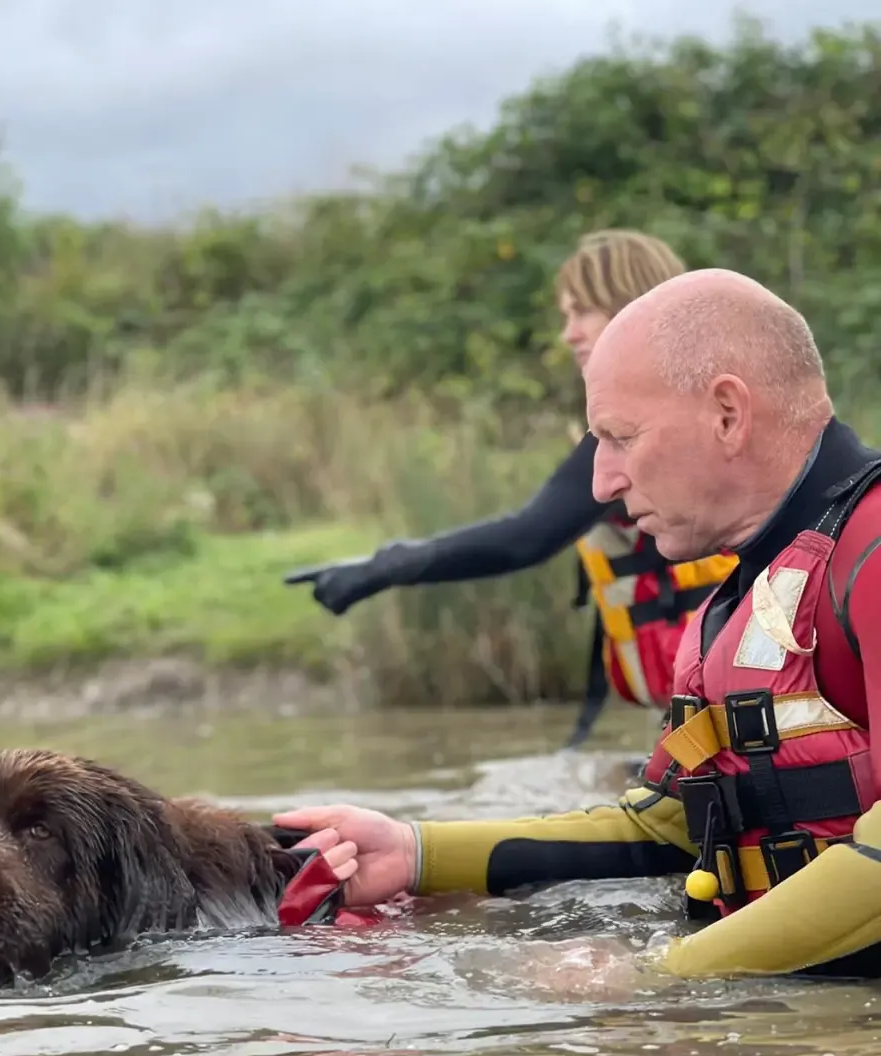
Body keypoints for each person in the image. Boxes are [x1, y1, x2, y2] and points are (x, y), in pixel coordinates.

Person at [273, 267, 881, 982]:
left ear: (727, 414)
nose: (602, 484)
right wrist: (415, 852)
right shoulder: (746, 592)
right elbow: (663, 825)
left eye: (620, 438)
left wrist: (654, 976)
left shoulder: (870, 551)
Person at [284, 230, 738, 747]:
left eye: (583, 311)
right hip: (711, 710)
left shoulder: (646, 431)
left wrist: (387, 566)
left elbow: (526, 537)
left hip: (720, 712)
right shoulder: (693, 408)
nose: (569, 333)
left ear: (631, 309)